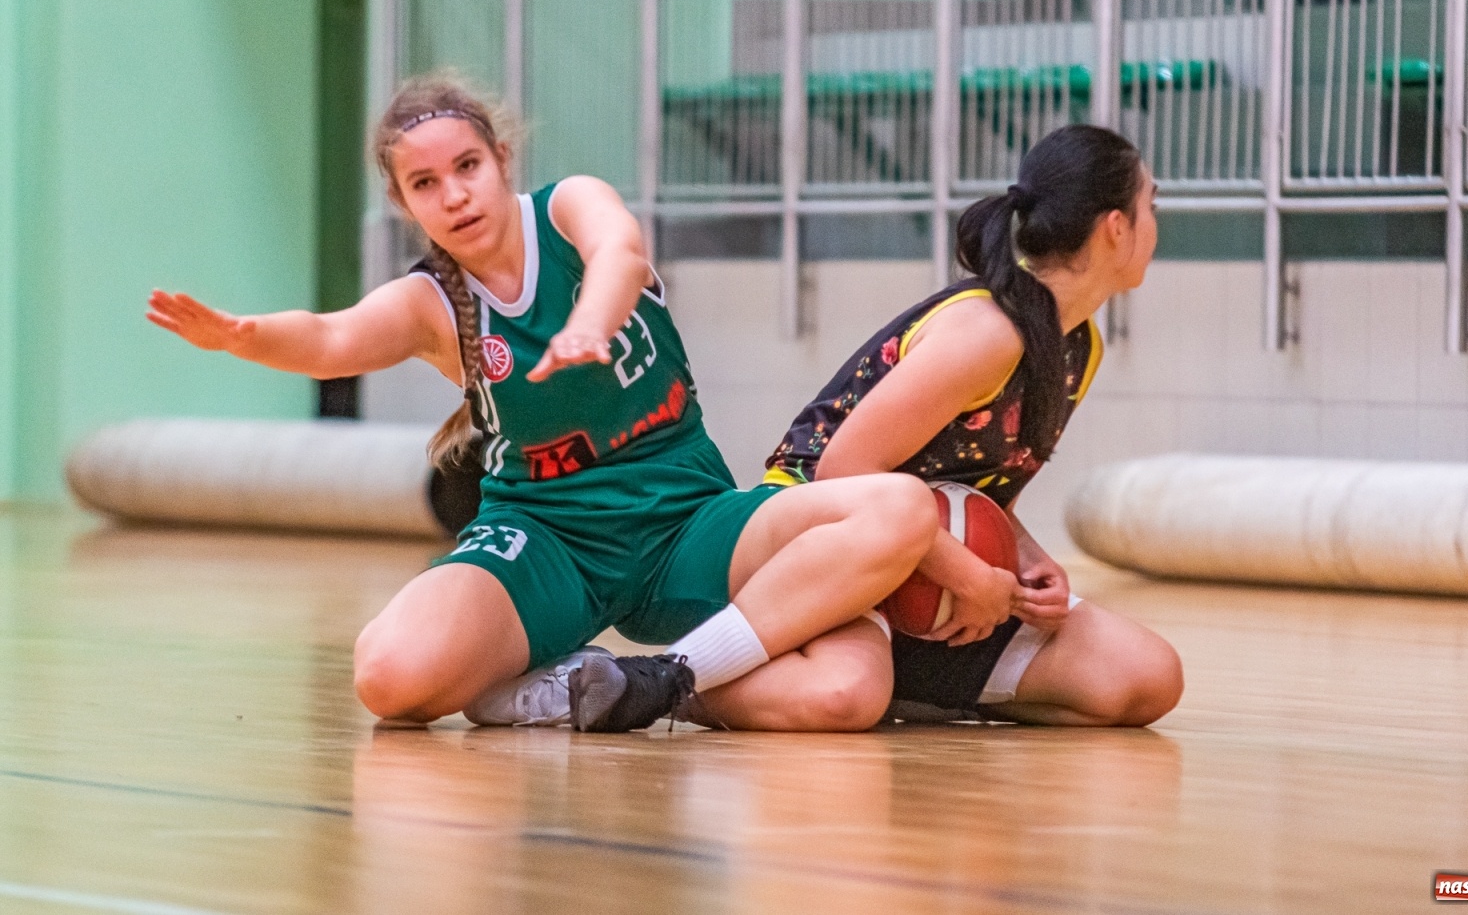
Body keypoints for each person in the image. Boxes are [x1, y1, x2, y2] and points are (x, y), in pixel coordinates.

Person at [147, 73, 936, 732]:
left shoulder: (567, 207)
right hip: (545, 538)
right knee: (390, 677)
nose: (455, 195)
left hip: (685, 522)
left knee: (863, 632)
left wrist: (590, 322)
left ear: (501, 157)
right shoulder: (433, 303)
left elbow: (620, 251)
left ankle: (658, 682)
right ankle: (583, 688)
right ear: (402, 200)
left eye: (467, 166)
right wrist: (242, 335)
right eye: (426, 184)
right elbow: (329, 338)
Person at [695, 124, 1183, 728]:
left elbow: (982, 490)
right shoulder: (986, 332)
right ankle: (677, 684)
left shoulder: (1079, 347)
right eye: (1150, 205)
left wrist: (1029, 563)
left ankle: (912, 680)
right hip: (817, 543)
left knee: (1146, 679)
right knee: (843, 697)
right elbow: (844, 469)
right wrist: (971, 577)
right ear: (1115, 227)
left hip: (927, 569)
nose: (1156, 224)